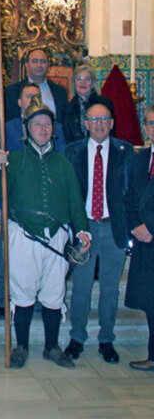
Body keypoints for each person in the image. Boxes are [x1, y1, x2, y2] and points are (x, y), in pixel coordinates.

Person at [0, 96, 90, 369]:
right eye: (37, 124)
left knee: (54, 294)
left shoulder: (64, 163)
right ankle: (20, 347)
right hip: (23, 236)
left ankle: (52, 347)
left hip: (57, 236)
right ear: (27, 128)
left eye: (47, 124)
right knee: (22, 294)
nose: (42, 128)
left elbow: (75, 201)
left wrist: (83, 232)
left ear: (52, 129)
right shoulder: (13, 160)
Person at [64, 96, 132, 364]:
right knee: (80, 288)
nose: (100, 124)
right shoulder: (72, 153)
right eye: (94, 119)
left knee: (109, 289)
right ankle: (77, 337)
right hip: (85, 229)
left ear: (112, 123)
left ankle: (106, 340)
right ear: (86, 124)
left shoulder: (126, 152)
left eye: (104, 119)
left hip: (113, 228)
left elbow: (130, 194)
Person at [125, 106, 154, 371]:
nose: (153, 128)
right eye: (150, 123)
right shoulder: (140, 158)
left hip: (152, 234)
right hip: (144, 241)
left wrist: (151, 227)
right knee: (150, 302)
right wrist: (136, 226)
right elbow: (130, 196)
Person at [4, 47, 69, 121]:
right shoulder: (12, 91)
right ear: (27, 65)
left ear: (48, 65)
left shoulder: (60, 92)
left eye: (43, 61)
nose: (39, 65)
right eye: (35, 61)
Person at [62, 64, 99, 143]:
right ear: (74, 83)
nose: (83, 82)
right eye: (79, 79)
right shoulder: (68, 108)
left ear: (92, 83)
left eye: (87, 79)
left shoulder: (103, 104)